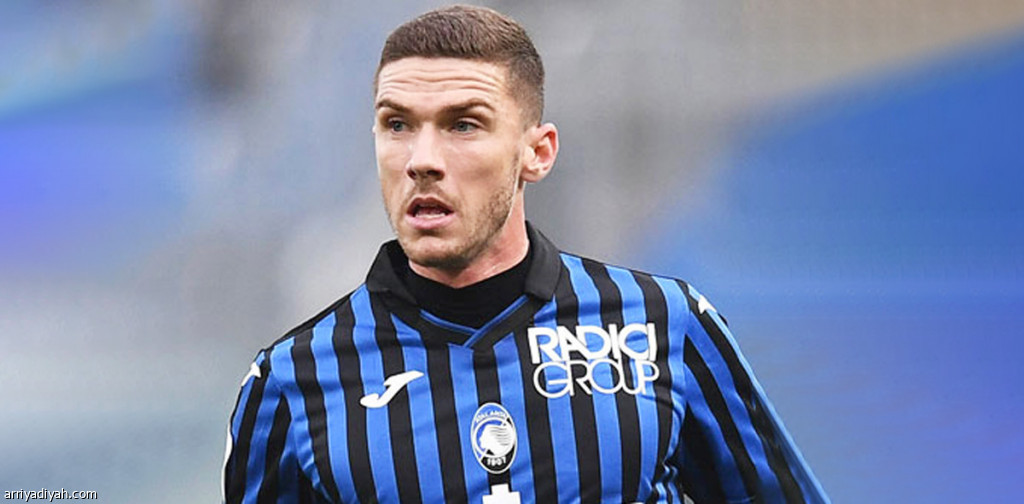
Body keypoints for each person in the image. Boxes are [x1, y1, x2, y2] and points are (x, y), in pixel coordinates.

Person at [223, 5, 829, 503]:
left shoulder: (662, 324)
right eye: (397, 124)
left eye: (463, 125)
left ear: (537, 153)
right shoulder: (293, 379)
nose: (422, 159)